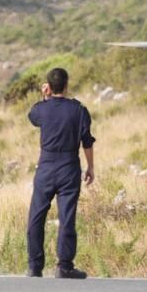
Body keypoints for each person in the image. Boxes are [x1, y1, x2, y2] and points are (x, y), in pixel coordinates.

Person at [26, 67, 95, 279]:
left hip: (45, 165)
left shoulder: (42, 109)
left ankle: (35, 266)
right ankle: (64, 266)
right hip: (68, 165)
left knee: (36, 215)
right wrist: (91, 167)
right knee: (66, 216)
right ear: (66, 85)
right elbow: (87, 141)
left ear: (48, 86)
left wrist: (44, 98)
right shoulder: (79, 109)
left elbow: (32, 116)